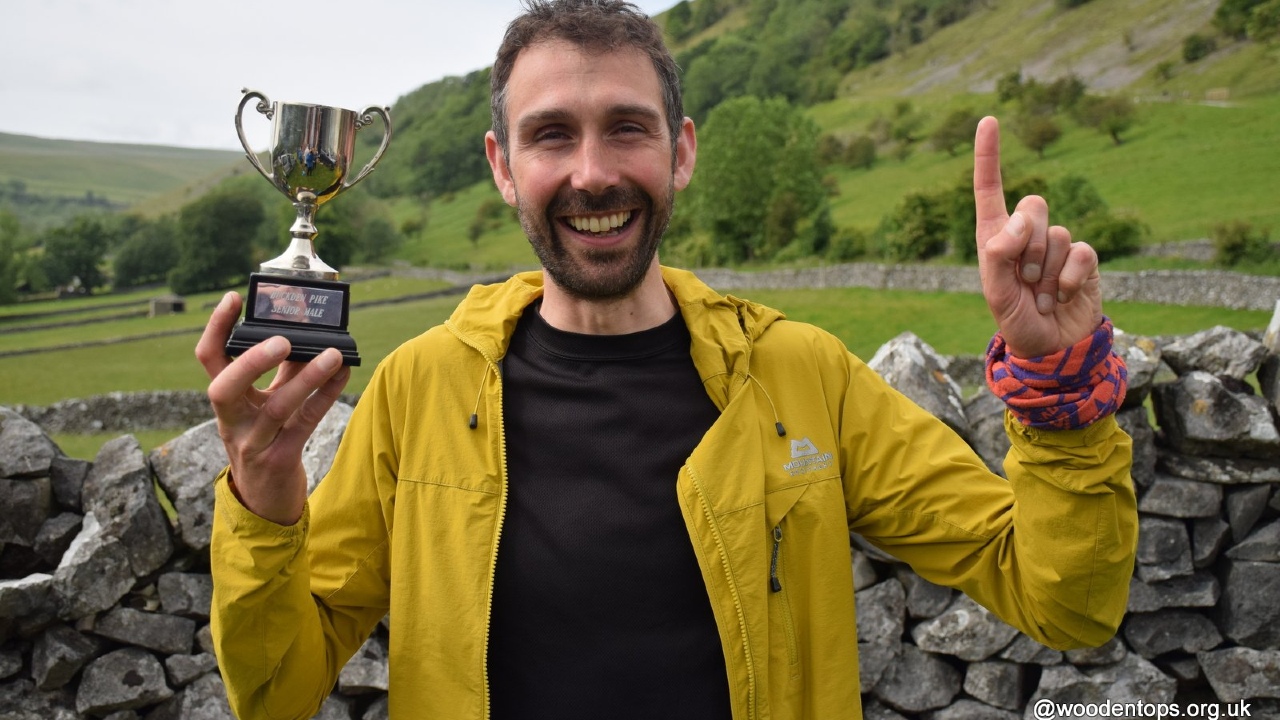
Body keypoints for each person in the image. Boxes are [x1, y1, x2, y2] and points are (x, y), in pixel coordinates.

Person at [196, 1, 1137, 718]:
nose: (593, 171)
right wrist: (264, 510)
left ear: (680, 152)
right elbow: (276, 692)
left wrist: (1061, 393)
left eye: (628, 128)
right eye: (551, 134)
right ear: (501, 165)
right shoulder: (420, 390)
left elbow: (1064, 600)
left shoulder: (802, 375)